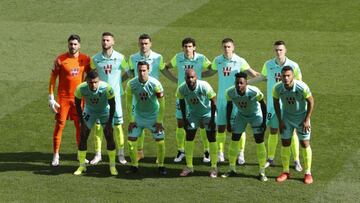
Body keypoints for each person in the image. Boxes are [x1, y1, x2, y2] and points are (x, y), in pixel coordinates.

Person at [248, 40, 302, 171]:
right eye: (276, 50)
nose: (278, 52)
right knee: (273, 131)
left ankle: (296, 161)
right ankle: (270, 158)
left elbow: (300, 82)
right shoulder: (268, 64)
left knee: (292, 132)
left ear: (285, 50)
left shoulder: (293, 65)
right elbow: (262, 77)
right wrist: (246, 82)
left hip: (289, 106)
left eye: (281, 50)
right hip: (273, 105)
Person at [203, 38, 259, 163]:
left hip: (237, 99)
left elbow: (252, 73)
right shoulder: (217, 60)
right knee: (221, 126)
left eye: (229, 47)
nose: (226, 49)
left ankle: (241, 154)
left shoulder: (240, 61)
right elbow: (210, 72)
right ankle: (220, 153)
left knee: (240, 127)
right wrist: (196, 74)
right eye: (224, 47)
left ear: (233, 48)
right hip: (222, 99)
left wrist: (267, 77)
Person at [162, 37, 212, 163]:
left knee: (201, 123)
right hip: (182, 94)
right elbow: (165, 67)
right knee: (180, 123)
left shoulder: (201, 58)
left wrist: (201, 75)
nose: (187, 49)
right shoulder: (178, 57)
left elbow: (212, 68)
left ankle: (206, 151)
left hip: (197, 96)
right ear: (182, 47)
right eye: (185, 46)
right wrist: (175, 79)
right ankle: (181, 150)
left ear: (194, 47)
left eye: (190, 46)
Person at [48, 34, 90, 166]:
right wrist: (51, 97)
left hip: (78, 98)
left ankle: (80, 154)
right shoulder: (60, 59)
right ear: (68, 44)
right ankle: (56, 155)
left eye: (75, 44)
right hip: (63, 99)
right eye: (71, 44)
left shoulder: (85, 59)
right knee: (60, 125)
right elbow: (53, 78)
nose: (73, 46)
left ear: (79, 45)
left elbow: (92, 77)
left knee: (80, 126)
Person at [89, 32, 128, 165]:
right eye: (103, 40)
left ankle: (121, 154)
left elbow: (129, 72)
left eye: (108, 40)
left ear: (113, 42)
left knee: (117, 126)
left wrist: (118, 83)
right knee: (99, 126)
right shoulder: (95, 59)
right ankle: (98, 154)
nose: (105, 42)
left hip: (115, 97)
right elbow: (91, 76)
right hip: (100, 98)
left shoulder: (120, 57)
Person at [221, 72, 267, 182]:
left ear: (246, 83)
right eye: (237, 83)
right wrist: (228, 122)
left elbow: (263, 104)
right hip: (241, 115)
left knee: (259, 140)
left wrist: (264, 122)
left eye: (241, 83)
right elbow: (229, 106)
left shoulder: (254, 91)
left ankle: (262, 172)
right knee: (234, 139)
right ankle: (232, 169)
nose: (239, 85)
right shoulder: (230, 92)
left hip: (256, 116)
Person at [273, 66, 314, 184]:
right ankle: (285, 171)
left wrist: (307, 119)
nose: (285, 78)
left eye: (288, 75)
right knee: (285, 143)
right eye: (283, 76)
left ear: (293, 76)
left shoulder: (302, 87)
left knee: (304, 143)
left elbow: (311, 101)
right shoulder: (277, 88)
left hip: (301, 117)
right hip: (286, 117)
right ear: (280, 76)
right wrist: (280, 120)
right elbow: (276, 102)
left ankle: (308, 173)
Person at [128, 33, 166, 161]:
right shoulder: (132, 58)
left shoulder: (158, 57)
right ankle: (139, 151)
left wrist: (176, 80)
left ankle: (159, 158)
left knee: (155, 121)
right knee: (138, 123)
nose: (143, 46)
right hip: (137, 92)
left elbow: (164, 70)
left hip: (153, 92)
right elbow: (129, 73)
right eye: (141, 43)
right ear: (138, 44)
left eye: (146, 43)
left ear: (150, 44)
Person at [125, 61, 167, 175]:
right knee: (131, 141)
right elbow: (128, 103)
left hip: (153, 116)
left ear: (148, 70)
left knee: (160, 141)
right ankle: (134, 166)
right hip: (138, 116)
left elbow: (162, 103)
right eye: (139, 70)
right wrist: (131, 120)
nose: (142, 73)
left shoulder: (155, 84)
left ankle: (161, 166)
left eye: (144, 70)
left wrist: (159, 121)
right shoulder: (131, 84)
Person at [73, 70, 118, 176]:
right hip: (90, 111)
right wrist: (82, 121)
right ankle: (82, 165)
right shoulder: (80, 88)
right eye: (90, 82)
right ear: (86, 81)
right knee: (83, 136)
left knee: (109, 136)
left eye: (95, 82)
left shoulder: (107, 88)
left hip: (104, 111)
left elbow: (113, 105)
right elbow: (77, 105)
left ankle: (112, 166)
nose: (93, 85)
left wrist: (109, 122)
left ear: (99, 81)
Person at [176, 69, 218, 178]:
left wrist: (213, 119)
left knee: (211, 138)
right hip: (193, 114)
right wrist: (185, 119)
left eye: (192, 77)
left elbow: (214, 101)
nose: (190, 79)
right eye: (188, 77)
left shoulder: (204, 86)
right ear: (185, 78)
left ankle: (214, 167)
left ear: (196, 77)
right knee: (189, 137)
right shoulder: (181, 89)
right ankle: (189, 166)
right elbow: (181, 102)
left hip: (208, 113)